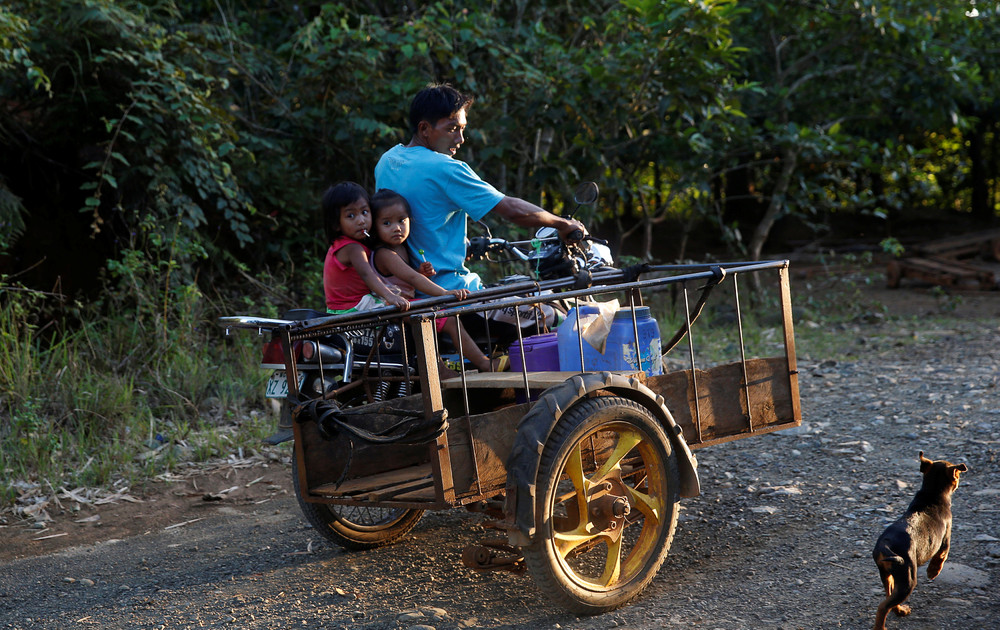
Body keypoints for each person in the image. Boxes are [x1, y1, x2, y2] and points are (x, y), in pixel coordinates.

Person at [374, 83, 585, 295]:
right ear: (424, 129)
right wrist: (563, 224)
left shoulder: (387, 160)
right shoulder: (445, 168)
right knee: (551, 314)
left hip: (410, 292)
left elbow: (422, 216)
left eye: (462, 129)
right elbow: (511, 209)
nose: (460, 139)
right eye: (451, 129)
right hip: (452, 292)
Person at [369, 189, 501, 373]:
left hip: (403, 304)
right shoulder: (385, 253)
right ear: (374, 227)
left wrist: (419, 272)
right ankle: (455, 367)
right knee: (449, 321)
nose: (396, 227)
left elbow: (405, 276)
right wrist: (445, 293)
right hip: (392, 307)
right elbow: (411, 278)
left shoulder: (399, 248)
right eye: (386, 223)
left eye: (401, 220)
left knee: (441, 320)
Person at [321, 181, 409, 314]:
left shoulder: (340, 244)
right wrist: (390, 295)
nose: (361, 220)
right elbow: (367, 274)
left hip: (337, 310)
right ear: (336, 224)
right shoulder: (352, 248)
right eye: (351, 216)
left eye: (364, 212)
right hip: (353, 308)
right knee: (403, 312)